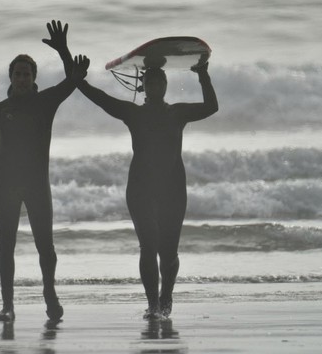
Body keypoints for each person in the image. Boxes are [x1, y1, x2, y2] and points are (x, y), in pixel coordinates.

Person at [76, 60, 218, 319]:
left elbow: (212, 107)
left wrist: (203, 75)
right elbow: (102, 99)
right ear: (143, 87)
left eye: (159, 82)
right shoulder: (134, 113)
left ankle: (167, 296)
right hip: (141, 188)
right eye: (150, 83)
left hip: (173, 188)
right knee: (148, 247)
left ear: (165, 86)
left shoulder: (177, 113)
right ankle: (153, 305)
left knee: (169, 252)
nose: (155, 87)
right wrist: (78, 79)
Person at [0, 20, 84, 323]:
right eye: (17, 74)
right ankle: (8, 305)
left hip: (37, 186)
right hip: (7, 187)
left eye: (27, 74)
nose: (22, 79)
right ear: (11, 77)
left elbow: (73, 79)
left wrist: (63, 49)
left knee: (46, 247)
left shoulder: (45, 103)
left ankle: (50, 294)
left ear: (33, 77)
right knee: (6, 247)